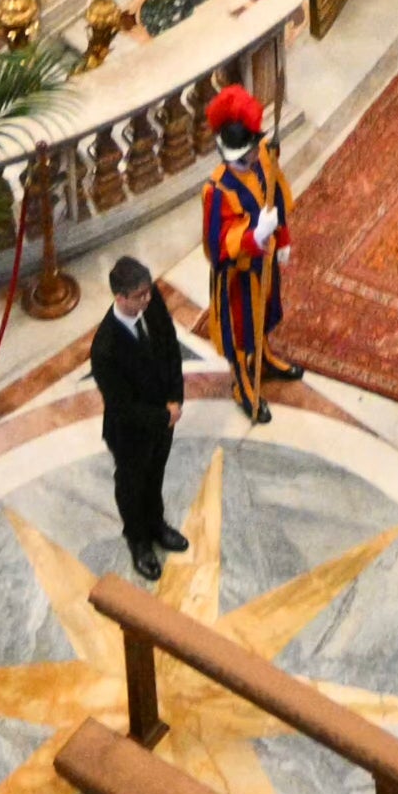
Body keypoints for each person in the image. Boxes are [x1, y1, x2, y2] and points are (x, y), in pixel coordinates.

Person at [197, 85, 299, 423]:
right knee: (241, 329)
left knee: (267, 311)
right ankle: (243, 383)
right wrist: (255, 234)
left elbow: (277, 197)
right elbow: (217, 244)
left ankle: (265, 357)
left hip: (265, 262)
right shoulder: (216, 191)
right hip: (237, 276)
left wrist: (280, 237)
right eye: (252, 152)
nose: (257, 155)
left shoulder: (263, 159)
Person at [89, 255, 188, 579]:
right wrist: (163, 416)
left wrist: (175, 398)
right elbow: (122, 406)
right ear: (120, 298)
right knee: (132, 485)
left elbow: (171, 347)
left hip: (164, 418)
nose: (149, 299)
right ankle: (139, 541)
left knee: (156, 474)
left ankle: (157, 524)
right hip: (132, 431)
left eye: (148, 291)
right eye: (140, 296)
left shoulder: (151, 300)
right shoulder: (105, 348)